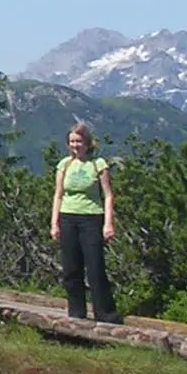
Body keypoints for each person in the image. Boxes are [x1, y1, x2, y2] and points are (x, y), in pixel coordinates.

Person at [51, 121, 119, 323]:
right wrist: (54, 223)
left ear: (87, 143)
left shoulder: (98, 165)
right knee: (71, 269)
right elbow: (58, 194)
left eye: (79, 141)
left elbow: (108, 195)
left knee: (95, 267)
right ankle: (76, 313)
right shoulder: (64, 165)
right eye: (72, 141)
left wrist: (108, 224)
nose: (75, 145)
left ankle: (105, 313)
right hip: (68, 217)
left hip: (91, 218)